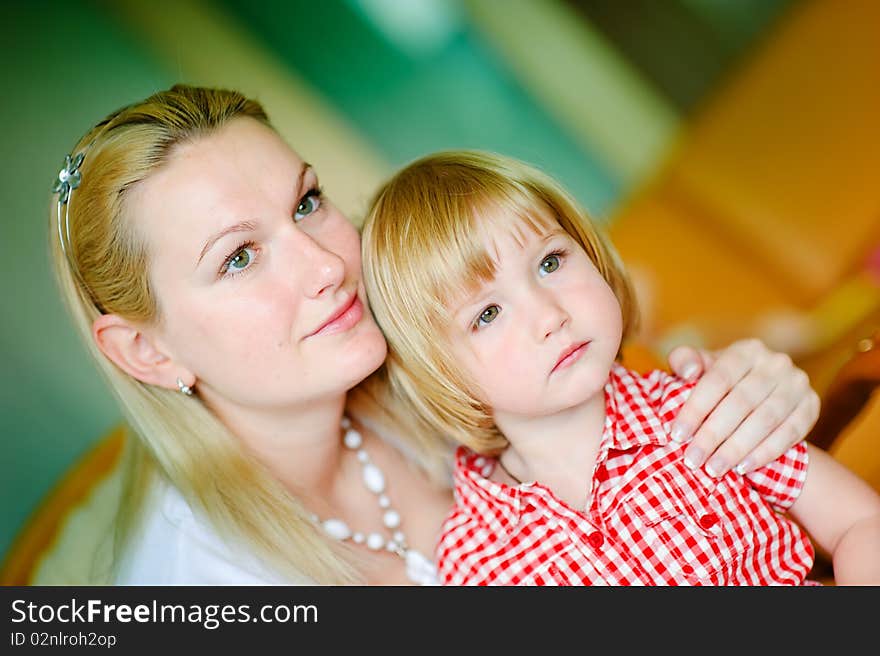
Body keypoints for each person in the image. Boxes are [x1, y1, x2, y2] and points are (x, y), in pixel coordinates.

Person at [49, 84, 824, 585]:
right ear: (148, 351)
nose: (325, 264)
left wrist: (751, 384)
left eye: (308, 202)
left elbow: (627, 357)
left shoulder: (416, 344)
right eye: (240, 257)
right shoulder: (200, 589)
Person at [360, 149, 880, 585]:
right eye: (488, 314)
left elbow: (858, 521)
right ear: (441, 376)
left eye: (550, 262)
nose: (549, 315)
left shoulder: (700, 411)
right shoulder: (475, 561)